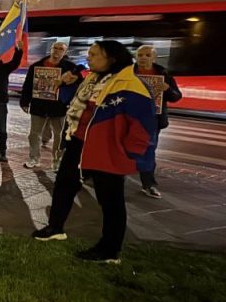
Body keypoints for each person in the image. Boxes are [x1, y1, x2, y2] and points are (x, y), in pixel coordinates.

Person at [32, 40, 156, 264]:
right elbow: (71, 103)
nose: (88, 57)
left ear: (112, 58)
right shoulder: (91, 79)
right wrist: (66, 85)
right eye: (89, 53)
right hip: (79, 143)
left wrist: (127, 154)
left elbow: (143, 126)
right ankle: (55, 228)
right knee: (64, 186)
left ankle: (109, 250)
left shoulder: (131, 85)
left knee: (110, 200)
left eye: (94, 54)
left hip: (107, 150)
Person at [20, 41, 81, 170]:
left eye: (60, 49)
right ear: (51, 49)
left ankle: (57, 161)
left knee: (59, 135)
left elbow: (79, 86)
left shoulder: (71, 68)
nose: (57, 51)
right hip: (39, 105)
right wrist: (24, 102)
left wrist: (68, 86)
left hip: (59, 106)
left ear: (65, 52)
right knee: (34, 134)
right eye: (55, 48)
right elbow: (28, 84)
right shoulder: (36, 66)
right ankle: (34, 158)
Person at [134, 44, 183, 198]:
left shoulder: (163, 74)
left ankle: (148, 184)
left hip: (152, 119)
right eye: (140, 55)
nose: (143, 58)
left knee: (148, 151)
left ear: (154, 57)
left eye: (147, 55)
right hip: (129, 117)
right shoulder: (128, 73)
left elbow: (176, 96)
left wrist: (167, 89)